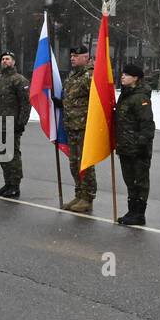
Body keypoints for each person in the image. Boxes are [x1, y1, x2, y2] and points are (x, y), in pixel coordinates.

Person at [115, 62, 155, 225]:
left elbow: (146, 124)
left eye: (126, 74)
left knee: (140, 182)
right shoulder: (126, 95)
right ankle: (132, 211)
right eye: (123, 74)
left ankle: (139, 214)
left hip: (138, 149)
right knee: (130, 181)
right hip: (125, 146)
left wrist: (141, 145)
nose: (122, 76)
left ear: (136, 78)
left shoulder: (140, 98)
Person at [61, 44, 97, 212]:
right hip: (72, 125)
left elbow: (97, 100)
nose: (72, 58)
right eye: (71, 56)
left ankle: (87, 198)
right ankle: (79, 193)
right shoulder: (72, 76)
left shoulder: (90, 76)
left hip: (84, 127)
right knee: (74, 163)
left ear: (86, 57)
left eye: (76, 56)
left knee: (85, 164)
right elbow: (71, 99)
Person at [0, 51, 30, 198]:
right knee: (2, 155)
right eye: (2, 59)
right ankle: (7, 183)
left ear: (14, 62)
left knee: (12, 155)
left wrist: (21, 122)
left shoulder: (19, 80)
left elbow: (26, 103)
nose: (4, 61)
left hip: (12, 123)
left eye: (8, 59)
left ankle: (15, 186)